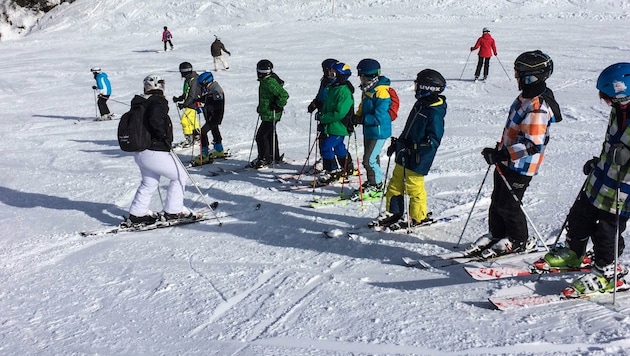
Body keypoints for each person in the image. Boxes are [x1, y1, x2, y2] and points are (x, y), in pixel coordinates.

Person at [535, 63, 630, 297]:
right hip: (602, 176)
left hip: (624, 187)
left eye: (609, 98)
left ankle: (606, 273)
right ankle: (574, 252)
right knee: (579, 214)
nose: (606, 102)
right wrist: (600, 160)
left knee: (607, 231)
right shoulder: (619, 109)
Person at [465, 50, 561, 259]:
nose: (516, 77)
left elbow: (532, 144)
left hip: (521, 165)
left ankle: (519, 240)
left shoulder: (537, 108)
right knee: (497, 200)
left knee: (509, 205)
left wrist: (502, 155)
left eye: (519, 74)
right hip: (507, 160)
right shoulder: (526, 97)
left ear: (531, 76)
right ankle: (498, 234)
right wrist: (499, 152)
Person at [372, 69, 447, 229]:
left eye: (417, 85)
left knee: (414, 187)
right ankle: (394, 212)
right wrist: (399, 143)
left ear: (427, 89)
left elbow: (433, 141)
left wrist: (412, 147)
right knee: (395, 183)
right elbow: (409, 129)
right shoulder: (421, 104)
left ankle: (417, 217)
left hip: (419, 158)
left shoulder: (434, 113)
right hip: (404, 153)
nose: (415, 88)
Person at [125, 74, 191, 226]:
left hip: (141, 151)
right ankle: (174, 212)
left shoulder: (140, 102)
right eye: (161, 84)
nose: (163, 87)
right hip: (155, 150)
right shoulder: (157, 101)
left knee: (149, 182)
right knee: (180, 176)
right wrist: (163, 136)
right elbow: (155, 120)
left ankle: (137, 214)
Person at [351, 58, 393, 200]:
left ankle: (377, 186)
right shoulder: (367, 89)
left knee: (369, 160)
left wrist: (363, 120)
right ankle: (372, 182)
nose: (360, 78)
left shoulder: (381, 92)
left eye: (362, 76)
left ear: (370, 76)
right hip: (370, 130)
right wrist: (355, 118)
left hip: (378, 131)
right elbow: (363, 107)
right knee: (372, 158)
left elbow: (379, 117)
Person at [307, 58, 354, 175]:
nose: (329, 75)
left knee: (326, 146)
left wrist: (323, 117)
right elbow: (324, 99)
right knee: (338, 147)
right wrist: (316, 104)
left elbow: (339, 112)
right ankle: (346, 167)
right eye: (328, 72)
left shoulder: (342, 91)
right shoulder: (331, 86)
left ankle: (331, 170)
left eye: (332, 73)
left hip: (339, 125)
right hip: (331, 123)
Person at [249, 59, 289, 169]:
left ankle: (264, 158)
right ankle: (273, 155)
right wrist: (261, 107)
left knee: (261, 136)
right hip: (268, 113)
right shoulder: (266, 80)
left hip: (272, 114)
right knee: (270, 134)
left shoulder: (269, 82)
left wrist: (278, 105)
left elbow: (284, 95)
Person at [192, 71, 227, 165]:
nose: (203, 87)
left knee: (203, 132)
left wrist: (207, 106)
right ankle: (219, 150)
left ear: (207, 82)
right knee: (214, 130)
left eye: (203, 85)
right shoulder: (211, 89)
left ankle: (204, 155)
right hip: (211, 115)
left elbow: (218, 105)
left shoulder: (216, 90)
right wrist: (199, 100)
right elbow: (208, 98)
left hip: (215, 116)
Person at [172, 62, 202, 148]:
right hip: (191, 102)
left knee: (185, 120)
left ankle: (190, 139)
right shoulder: (189, 79)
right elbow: (186, 93)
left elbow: (192, 95)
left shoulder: (193, 80)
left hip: (193, 103)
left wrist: (184, 104)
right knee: (192, 120)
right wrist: (179, 98)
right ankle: (197, 137)